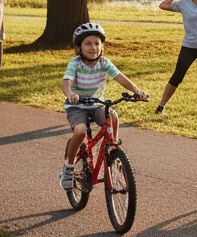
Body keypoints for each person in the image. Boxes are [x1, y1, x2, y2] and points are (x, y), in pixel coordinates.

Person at [60, 23, 148, 190]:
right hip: (76, 105)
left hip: (96, 103)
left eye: (97, 43)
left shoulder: (104, 63)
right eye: (88, 44)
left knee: (112, 116)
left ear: (102, 46)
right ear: (78, 48)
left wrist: (137, 91)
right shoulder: (75, 63)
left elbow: (120, 78)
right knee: (80, 131)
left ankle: (113, 148)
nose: (93, 47)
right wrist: (69, 93)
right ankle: (68, 167)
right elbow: (67, 82)